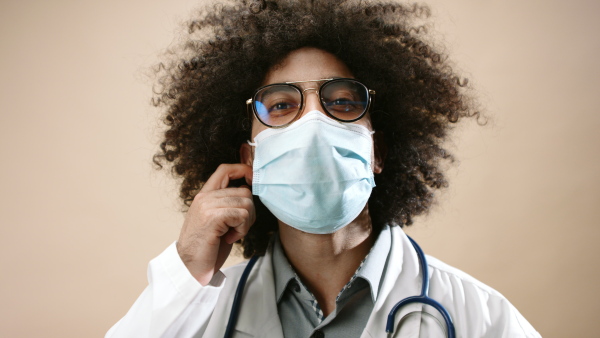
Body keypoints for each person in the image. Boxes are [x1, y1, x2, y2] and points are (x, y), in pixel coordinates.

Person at [107, 0, 541, 337]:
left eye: (342, 102)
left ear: (378, 151)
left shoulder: (481, 317)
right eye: (281, 106)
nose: (314, 122)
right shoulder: (193, 311)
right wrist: (185, 269)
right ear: (250, 161)